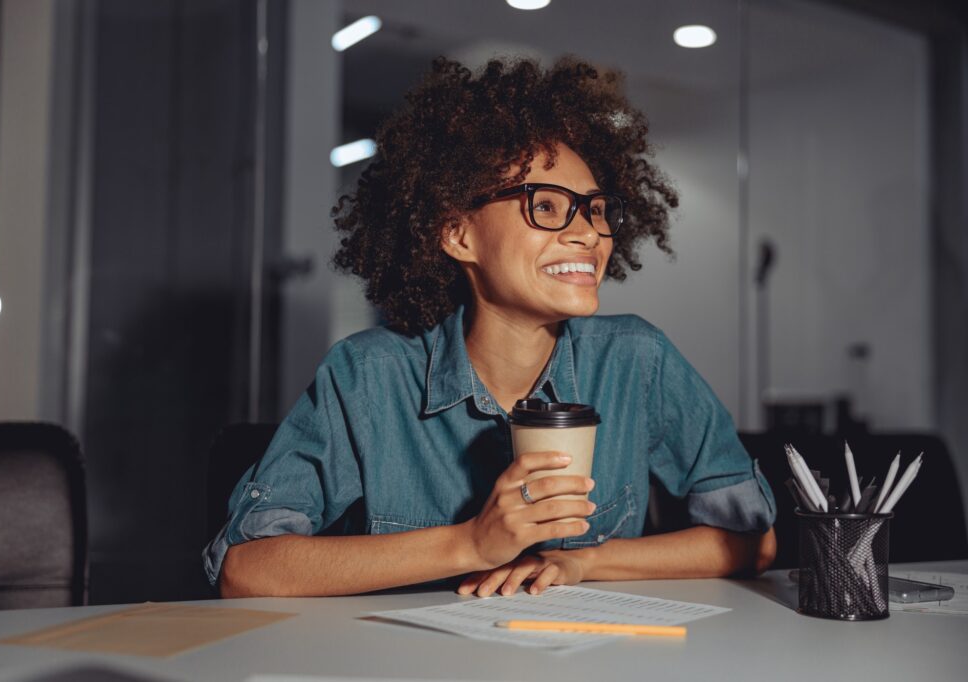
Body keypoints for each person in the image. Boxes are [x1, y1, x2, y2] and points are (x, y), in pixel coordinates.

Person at [204, 57, 777, 598]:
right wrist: (470, 543)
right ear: (458, 235)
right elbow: (246, 570)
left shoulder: (637, 360)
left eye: (595, 209)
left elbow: (751, 543)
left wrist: (584, 560)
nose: (588, 234)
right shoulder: (369, 375)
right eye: (547, 206)